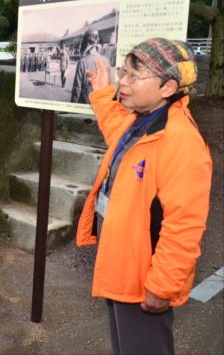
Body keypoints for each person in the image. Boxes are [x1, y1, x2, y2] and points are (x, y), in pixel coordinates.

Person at [76, 38, 212, 355]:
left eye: (134, 76)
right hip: (122, 261)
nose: (122, 82)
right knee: (125, 345)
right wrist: (100, 92)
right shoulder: (143, 120)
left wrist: (162, 287)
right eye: (123, 72)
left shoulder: (181, 142)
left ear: (168, 87)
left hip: (143, 277)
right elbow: (115, 129)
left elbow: (185, 225)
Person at [71, 28, 110, 104]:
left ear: (85, 43)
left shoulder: (82, 62)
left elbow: (77, 89)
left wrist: (71, 107)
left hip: (86, 104)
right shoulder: (106, 61)